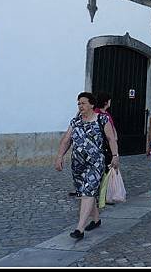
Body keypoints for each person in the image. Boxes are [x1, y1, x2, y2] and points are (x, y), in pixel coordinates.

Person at [55, 92, 119, 239]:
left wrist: (115, 156)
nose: (80, 106)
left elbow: (111, 138)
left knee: (88, 191)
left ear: (91, 104)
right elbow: (66, 140)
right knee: (84, 192)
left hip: (95, 163)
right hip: (78, 164)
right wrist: (59, 156)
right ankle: (96, 220)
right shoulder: (75, 122)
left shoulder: (102, 119)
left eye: (83, 103)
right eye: (79, 103)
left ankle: (80, 228)